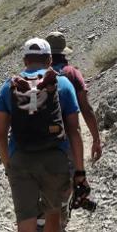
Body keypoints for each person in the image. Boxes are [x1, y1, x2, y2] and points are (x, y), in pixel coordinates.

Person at [0, 37, 81, 232]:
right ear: (48, 61)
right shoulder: (62, 84)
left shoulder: (9, 87)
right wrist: (78, 170)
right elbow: (74, 131)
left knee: (25, 230)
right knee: (54, 214)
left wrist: (9, 165)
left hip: (21, 162)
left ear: (24, 61)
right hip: (54, 160)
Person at [46, 31, 103, 211]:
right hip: (68, 138)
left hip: (41, 135)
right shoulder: (71, 73)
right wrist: (96, 139)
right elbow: (85, 108)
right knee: (72, 175)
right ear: (64, 52)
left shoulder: (38, 75)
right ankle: (63, 210)